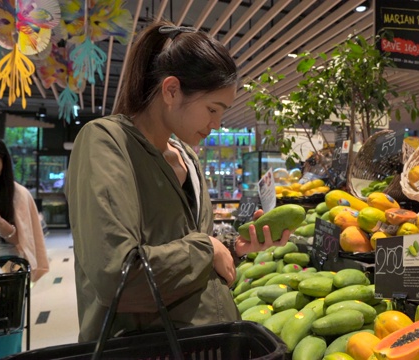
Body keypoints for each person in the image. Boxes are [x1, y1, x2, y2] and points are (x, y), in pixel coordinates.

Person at [64, 21, 289, 342]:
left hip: (204, 342)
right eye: (212, 108)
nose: (216, 123)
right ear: (171, 90)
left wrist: (231, 249)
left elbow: (179, 246)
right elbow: (117, 276)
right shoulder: (106, 141)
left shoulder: (187, 156)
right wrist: (206, 249)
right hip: (141, 347)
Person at [0, 135, 49, 282]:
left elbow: (23, 241)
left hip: (7, 265)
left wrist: (0, 223)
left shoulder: (17, 194)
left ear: (4, 164)